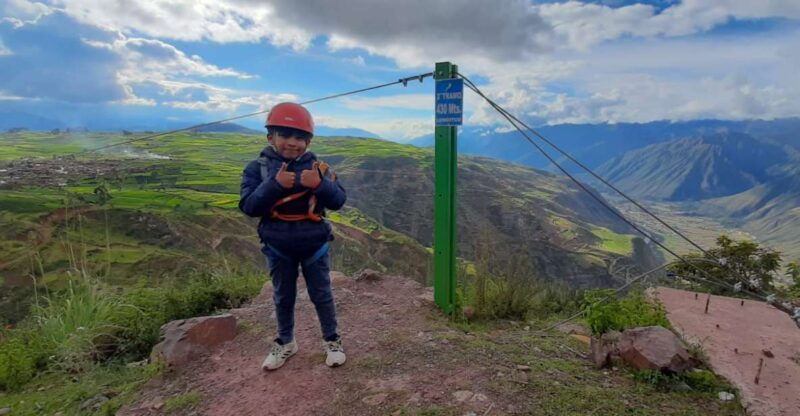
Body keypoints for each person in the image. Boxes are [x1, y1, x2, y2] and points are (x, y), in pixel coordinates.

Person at [238, 102, 347, 370]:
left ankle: (331, 340)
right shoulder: (258, 169)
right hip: (277, 245)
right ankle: (286, 342)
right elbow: (249, 206)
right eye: (285, 135)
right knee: (282, 296)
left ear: (308, 142)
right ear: (270, 137)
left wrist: (319, 185)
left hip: (314, 244)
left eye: (299, 137)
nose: (292, 142)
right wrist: (274, 185)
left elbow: (339, 201)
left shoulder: (320, 169)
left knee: (321, 294)